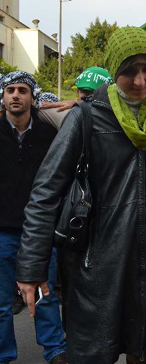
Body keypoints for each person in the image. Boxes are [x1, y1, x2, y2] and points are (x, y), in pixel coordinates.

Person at [15, 26, 146, 364]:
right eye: (128, 71)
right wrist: (32, 267)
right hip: (96, 266)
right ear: (114, 71)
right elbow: (46, 191)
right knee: (95, 352)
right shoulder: (87, 116)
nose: (140, 81)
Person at [0, 71, 66, 364]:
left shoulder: (48, 133)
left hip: (39, 232)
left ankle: (55, 351)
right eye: (10, 90)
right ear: (3, 97)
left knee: (46, 295)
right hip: (2, 232)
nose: (16, 95)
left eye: (22, 90)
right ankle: (4, 355)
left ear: (32, 97)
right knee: (1, 304)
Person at [36, 67, 113, 130]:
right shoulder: (69, 114)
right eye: (86, 92)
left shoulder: (118, 118)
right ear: (78, 91)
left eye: (96, 93)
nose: (89, 98)